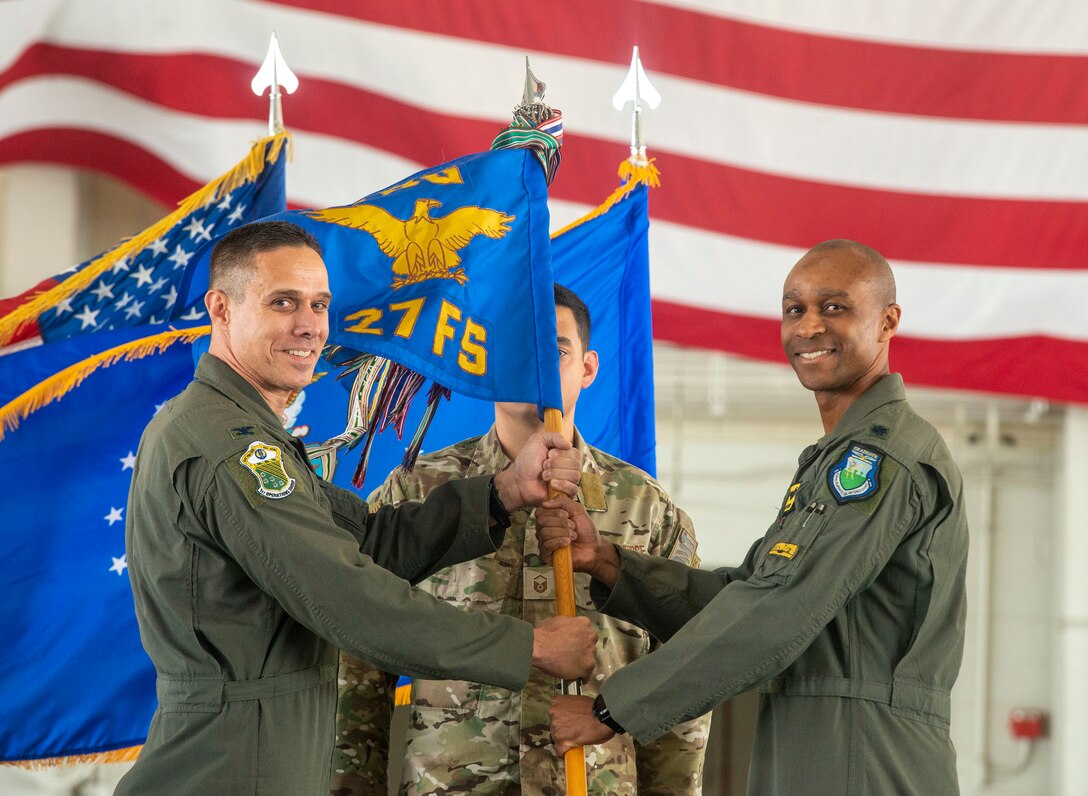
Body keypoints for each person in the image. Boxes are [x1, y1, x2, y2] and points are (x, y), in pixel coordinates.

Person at [117, 221, 598, 796]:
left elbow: (365, 543)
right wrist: (530, 647)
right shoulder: (229, 447)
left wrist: (502, 493)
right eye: (283, 303)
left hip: (257, 752)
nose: (310, 326)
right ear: (220, 309)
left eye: (319, 304)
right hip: (232, 764)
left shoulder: (241, 431)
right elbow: (346, 596)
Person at [539, 240, 969, 795]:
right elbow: (748, 597)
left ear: (888, 322)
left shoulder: (879, 459)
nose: (809, 326)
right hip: (815, 743)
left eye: (834, 307)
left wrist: (611, 710)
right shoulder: (837, 455)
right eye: (795, 309)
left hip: (863, 753)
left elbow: (781, 609)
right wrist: (610, 565)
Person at [330, 285, 710, 795]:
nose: (536, 365)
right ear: (487, 364)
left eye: (556, 350)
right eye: (515, 348)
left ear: (588, 368)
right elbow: (356, 663)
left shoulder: (648, 509)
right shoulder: (415, 494)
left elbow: (683, 673)